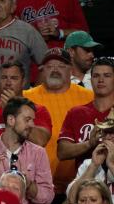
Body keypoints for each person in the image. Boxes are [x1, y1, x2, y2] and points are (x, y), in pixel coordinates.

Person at [24, 48, 96, 193]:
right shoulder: (25, 97)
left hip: (80, 182)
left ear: (71, 70)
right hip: (36, 183)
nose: (55, 70)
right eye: (50, 66)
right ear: (42, 70)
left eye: (61, 66)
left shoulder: (90, 97)